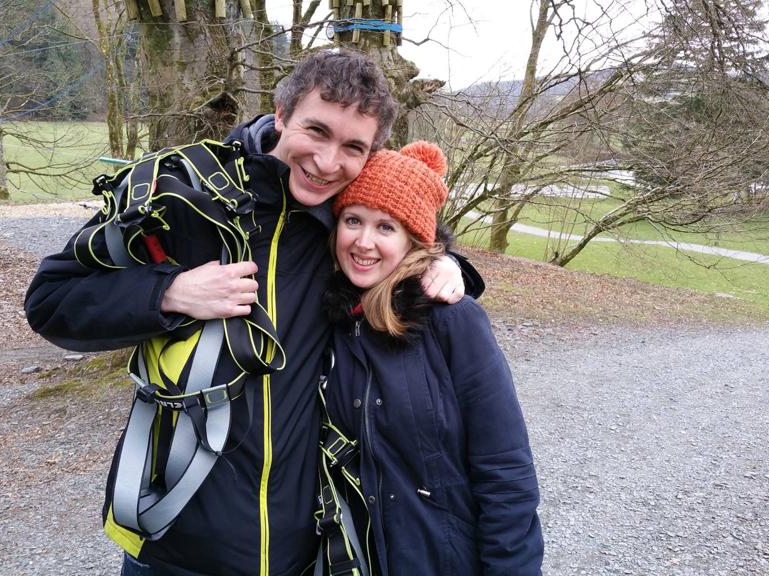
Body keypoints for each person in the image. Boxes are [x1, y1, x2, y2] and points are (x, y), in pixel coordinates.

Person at [24, 50, 478, 576]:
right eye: (316, 131)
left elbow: (405, 235)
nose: (327, 162)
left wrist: (448, 263)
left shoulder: (344, 220)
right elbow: (51, 299)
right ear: (281, 113)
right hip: (175, 540)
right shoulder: (184, 191)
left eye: (353, 147)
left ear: (369, 155)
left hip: (298, 547)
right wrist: (169, 293)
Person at [321, 141, 543, 575]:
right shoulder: (330, 318)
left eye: (386, 227)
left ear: (414, 239)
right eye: (353, 220)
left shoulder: (452, 321)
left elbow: (505, 468)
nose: (364, 242)